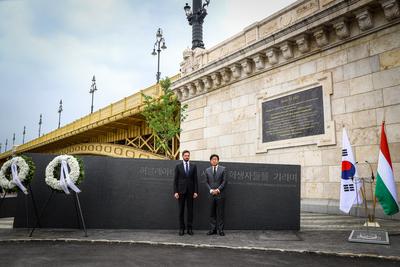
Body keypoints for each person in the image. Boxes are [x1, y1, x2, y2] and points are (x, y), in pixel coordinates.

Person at [173, 150, 198, 236]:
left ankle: (189, 229)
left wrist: (196, 191)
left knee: (190, 211)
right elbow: (175, 180)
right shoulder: (178, 166)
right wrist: (175, 191)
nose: (187, 157)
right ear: (182, 156)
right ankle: (181, 229)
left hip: (191, 192)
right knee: (181, 211)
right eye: (185, 155)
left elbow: (195, 180)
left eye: (188, 155)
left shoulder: (193, 166)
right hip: (181, 191)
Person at [205, 154, 227, 236]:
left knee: (220, 213)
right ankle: (213, 229)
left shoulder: (223, 169)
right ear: (210, 161)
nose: (214, 160)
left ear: (218, 160)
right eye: (212, 159)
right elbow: (206, 182)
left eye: (215, 159)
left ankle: (220, 230)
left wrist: (218, 190)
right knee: (212, 213)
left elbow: (225, 181)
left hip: (220, 195)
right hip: (211, 195)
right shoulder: (207, 170)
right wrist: (211, 190)